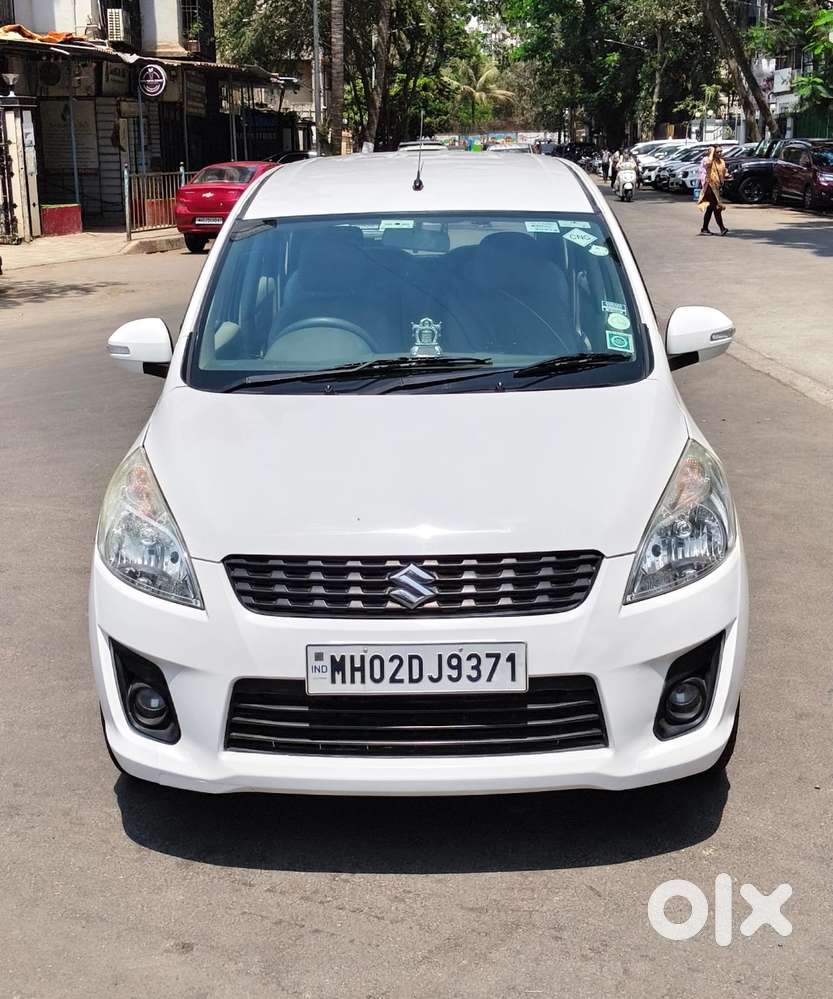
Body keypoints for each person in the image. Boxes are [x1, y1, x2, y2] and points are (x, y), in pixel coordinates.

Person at [698, 146, 729, 235]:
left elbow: (723, 173)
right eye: (717, 152)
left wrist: (726, 176)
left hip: (717, 187)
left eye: (720, 151)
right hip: (710, 187)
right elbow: (708, 163)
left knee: (710, 208)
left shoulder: (722, 161)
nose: (719, 153)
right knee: (716, 207)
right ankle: (722, 228)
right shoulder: (707, 160)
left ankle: (704, 228)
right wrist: (711, 152)